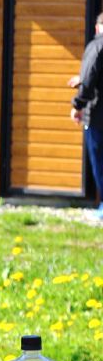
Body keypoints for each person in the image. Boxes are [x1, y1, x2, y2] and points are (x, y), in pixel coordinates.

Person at [71, 12, 103, 218]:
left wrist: (78, 105)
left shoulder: (97, 46)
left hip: (98, 117)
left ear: (97, 27)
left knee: (99, 162)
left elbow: (91, 77)